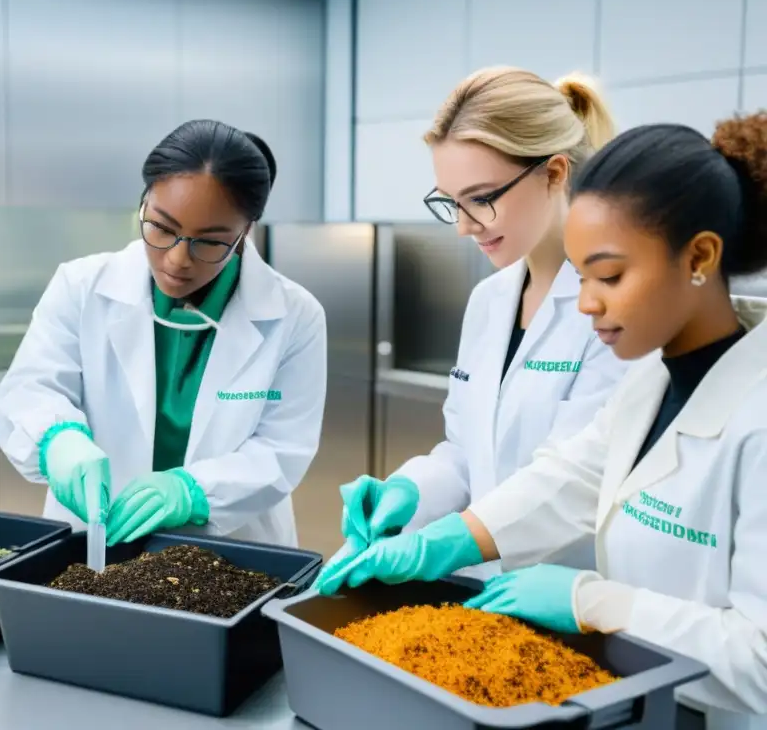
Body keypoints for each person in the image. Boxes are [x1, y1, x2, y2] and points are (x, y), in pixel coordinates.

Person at [317, 115, 767, 727]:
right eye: (582, 276)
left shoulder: (756, 417)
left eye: (609, 276)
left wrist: (592, 601)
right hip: (630, 701)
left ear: (701, 256)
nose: (586, 303)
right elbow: (568, 477)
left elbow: (760, 664)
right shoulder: (649, 381)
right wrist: (442, 542)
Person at [331, 67, 628, 581]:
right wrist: (411, 490)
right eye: (451, 201)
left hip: (573, 594)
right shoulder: (489, 300)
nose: (465, 225)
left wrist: (452, 541)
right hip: (487, 592)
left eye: (482, 198)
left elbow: (579, 477)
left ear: (554, 174)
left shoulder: (619, 304)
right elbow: (467, 451)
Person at [0, 119, 327, 548]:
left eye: (209, 242)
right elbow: (30, 391)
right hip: (95, 543)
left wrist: (192, 491)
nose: (177, 260)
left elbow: (283, 450)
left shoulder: (294, 317)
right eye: (162, 228)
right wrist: (57, 441)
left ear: (244, 233)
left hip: (232, 551)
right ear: (144, 201)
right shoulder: (82, 287)